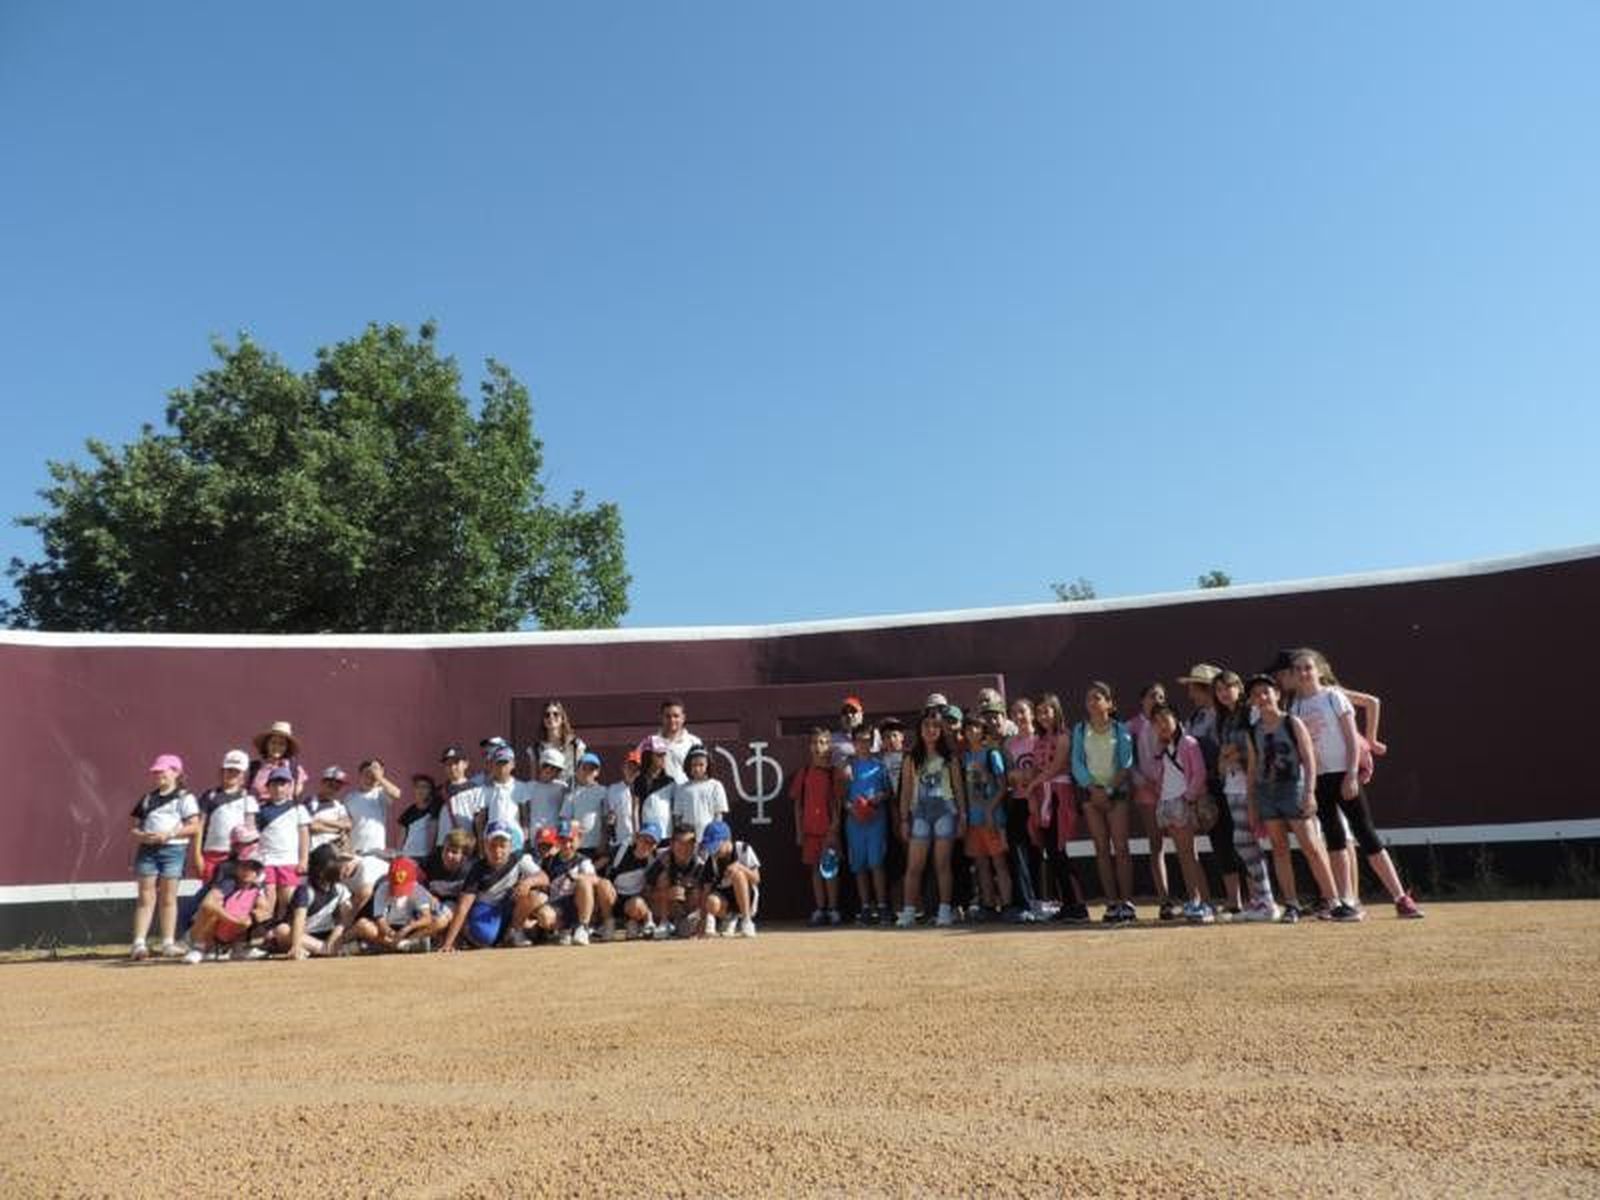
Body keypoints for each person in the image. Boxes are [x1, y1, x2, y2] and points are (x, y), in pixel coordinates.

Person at [1288, 651, 1423, 920]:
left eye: (1308, 668)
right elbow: (1303, 750)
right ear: (1292, 675)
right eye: (1298, 669)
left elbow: (1350, 738)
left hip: (1342, 774)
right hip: (1320, 778)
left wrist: (1351, 774)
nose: (1304, 673)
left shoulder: (1333, 697)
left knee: (1366, 835)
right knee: (1335, 839)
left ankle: (1400, 897)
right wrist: (1309, 786)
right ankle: (1346, 900)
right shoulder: (1295, 708)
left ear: (1319, 670)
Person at [1245, 674, 1339, 923]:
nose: (1262, 697)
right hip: (1267, 792)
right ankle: (1292, 903)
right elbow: (1253, 770)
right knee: (1279, 848)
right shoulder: (1253, 731)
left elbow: (1309, 760)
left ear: (1276, 694)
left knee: (1311, 846)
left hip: (1293, 789)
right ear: (1252, 701)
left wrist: (1309, 792)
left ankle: (1333, 900)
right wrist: (1252, 804)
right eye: (1256, 694)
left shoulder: (1292, 722)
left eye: (1266, 692)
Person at [1177, 663, 1243, 916]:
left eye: (1193, 687)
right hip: (1208, 787)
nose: (1190, 692)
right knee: (1221, 841)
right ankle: (1234, 899)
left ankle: (1255, 897)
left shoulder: (1224, 715)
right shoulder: (1195, 718)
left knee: (1240, 840)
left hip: (1230, 783)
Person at [1071, 682, 1137, 923]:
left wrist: (1108, 790)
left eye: (1098, 697)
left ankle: (1126, 903)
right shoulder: (1079, 730)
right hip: (1091, 795)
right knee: (1101, 849)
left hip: (1116, 794)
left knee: (1121, 848)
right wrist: (1092, 788)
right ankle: (1111, 903)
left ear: (1109, 703)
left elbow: (1126, 764)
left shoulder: (1121, 730)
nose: (1092, 702)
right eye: (1089, 698)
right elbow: (1077, 762)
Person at [1214, 670, 1277, 920]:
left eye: (1228, 687)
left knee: (1244, 841)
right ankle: (1261, 899)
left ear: (1239, 687)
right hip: (1232, 784)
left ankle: (1267, 900)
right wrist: (1224, 761)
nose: (1223, 693)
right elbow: (1223, 752)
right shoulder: (1225, 718)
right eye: (1218, 690)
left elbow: (1258, 748)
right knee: (1246, 842)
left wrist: (1236, 756)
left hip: (1251, 784)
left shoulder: (1251, 712)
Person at [895, 706, 966, 928]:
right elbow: (906, 791)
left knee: (942, 865)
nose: (931, 729)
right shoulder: (911, 758)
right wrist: (904, 819)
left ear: (942, 729)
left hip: (946, 812)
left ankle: (944, 910)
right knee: (914, 866)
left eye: (936, 726)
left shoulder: (949, 757)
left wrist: (962, 816)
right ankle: (908, 911)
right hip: (920, 815)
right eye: (926, 725)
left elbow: (958, 788)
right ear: (920, 729)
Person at [128, 753, 201, 961]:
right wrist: (144, 836)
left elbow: (194, 826)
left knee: (168, 898)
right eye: (157, 771)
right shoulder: (148, 798)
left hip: (174, 851)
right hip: (148, 850)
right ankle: (139, 944)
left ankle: (168, 943)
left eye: (163, 771)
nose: (159, 774)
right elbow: (134, 828)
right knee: (145, 896)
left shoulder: (185, 798)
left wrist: (168, 835)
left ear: (176, 773)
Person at [1149, 703, 1214, 923]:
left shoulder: (1188, 743)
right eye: (1156, 722)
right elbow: (1160, 774)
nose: (1161, 725)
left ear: (1176, 720)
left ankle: (1203, 902)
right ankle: (1195, 900)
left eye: (1165, 719)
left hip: (1182, 801)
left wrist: (1188, 798)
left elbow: (1199, 773)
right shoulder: (1162, 747)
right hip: (1168, 802)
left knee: (1189, 855)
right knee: (1183, 855)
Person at [439, 823, 550, 952]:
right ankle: (470, 933)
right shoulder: (477, 869)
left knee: (536, 897)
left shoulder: (520, 859)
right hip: (485, 908)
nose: (498, 851)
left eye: (503, 846)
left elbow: (544, 878)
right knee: (485, 937)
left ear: (510, 846)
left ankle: (514, 932)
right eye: (493, 846)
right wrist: (449, 942)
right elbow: (463, 906)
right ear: (485, 846)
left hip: (509, 906)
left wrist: (529, 882)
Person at [1029, 693, 1088, 921]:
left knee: (1059, 850)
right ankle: (1068, 904)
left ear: (1056, 711)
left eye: (1047, 711)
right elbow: (1036, 767)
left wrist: (1033, 784)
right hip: (1043, 795)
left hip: (1058, 796)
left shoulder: (1064, 736)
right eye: (1039, 712)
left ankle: (1078, 905)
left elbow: (1055, 768)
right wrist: (1033, 792)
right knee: (1052, 853)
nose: (1043, 716)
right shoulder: (1040, 739)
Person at [182, 828, 272, 963]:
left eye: (253, 867)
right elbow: (208, 904)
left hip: (229, 920)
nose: (249, 870)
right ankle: (199, 947)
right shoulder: (227, 877)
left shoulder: (258, 882)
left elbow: (265, 910)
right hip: (199, 922)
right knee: (212, 909)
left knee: (262, 910)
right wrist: (236, 921)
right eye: (245, 866)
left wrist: (250, 918)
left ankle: (239, 947)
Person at [1126, 683, 1176, 919]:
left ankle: (1197, 897)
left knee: (1184, 843)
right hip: (1146, 790)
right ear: (1142, 700)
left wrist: (1167, 782)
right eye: (1152, 696)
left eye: (1161, 696)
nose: (1157, 699)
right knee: (1156, 844)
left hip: (1172, 788)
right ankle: (1165, 899)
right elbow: (1129, 763)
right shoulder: (1131, 727)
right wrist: (1144, 783)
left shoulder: (1171, 723)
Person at [961, 713, 1012, 920]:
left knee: (999, 863)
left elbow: (1002, 787)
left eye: (975, 728)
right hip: (974, 820)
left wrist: (990, 810)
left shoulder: (992, 755)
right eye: (968, 729)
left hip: (993, 818)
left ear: (982, 731)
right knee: (981, 864)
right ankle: (989, 905)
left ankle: (1007, 905)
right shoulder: (965, 758)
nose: (972, 732)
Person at [840, 724, 892, 924]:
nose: (864, 744)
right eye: (860, 740)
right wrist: (851, 808)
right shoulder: (848, 768)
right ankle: (865, 908)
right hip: (854, 823)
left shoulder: (880, 766)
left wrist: (880, 797)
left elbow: (888, 792)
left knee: (876, 863)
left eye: (867, 740)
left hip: (876, 821)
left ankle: (882, 907)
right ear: (853, 743)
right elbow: (842, 798)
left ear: (873, 742)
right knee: (859, 866)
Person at [268, 842, 356, 959]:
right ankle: (325, 950)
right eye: (338, 863)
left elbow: (345, 919)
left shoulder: (340, 890)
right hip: (303, 935)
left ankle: (325, 949)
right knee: (281, 930)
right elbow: (298, 919)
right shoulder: (306, 890)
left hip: (327, 934)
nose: (344, 867)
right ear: (323, 870)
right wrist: (296, 945)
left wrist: (335, 935)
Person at [790, 728, 841, 926]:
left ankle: (833, 909)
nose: (819, 747)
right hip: (810, 831)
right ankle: (821, 909)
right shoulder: (804, 772)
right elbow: (798, 805)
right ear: (810, 747)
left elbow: (837, 803)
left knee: (830, 869)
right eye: (815, 742)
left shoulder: (834, 773)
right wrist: (799, 831)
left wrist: (834, 828)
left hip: (829, 831)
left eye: (823, 742)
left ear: (829, 746)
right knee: (816, 872)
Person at [538, 821, 611, 944]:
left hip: (578, 902)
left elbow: (595, 879)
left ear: (576, 840)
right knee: (543, 916)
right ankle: (564, 929)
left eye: (570, 840)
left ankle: (583, 927)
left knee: (584, 883)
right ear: (557, 841)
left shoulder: (583, 860)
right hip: (558, 905)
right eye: (562, 840)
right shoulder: (549, 861)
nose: (567, 845)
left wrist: (577, 876)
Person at [193, 749, 258, 883]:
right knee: (209, 892)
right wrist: (197, 855)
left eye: (236, 771)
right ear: (222, 771)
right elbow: (199, 827)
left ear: (243, 775)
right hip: (211, 854)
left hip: (237, 856)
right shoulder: (210, 796)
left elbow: (251, 829)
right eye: (228, 770)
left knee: (231, 892)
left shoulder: (248, 797)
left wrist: (247, 854)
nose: (231, 774)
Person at [1001, 698, 1040, 918]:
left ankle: (1041, 900)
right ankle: (1025, 904)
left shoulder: (1040, 740)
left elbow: (1039, 770)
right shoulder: (1009, 744)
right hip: (1018, 801)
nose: (1019, 717)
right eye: (1014, 713)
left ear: (1031, 713)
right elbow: (1009, 776)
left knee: (1037, 851)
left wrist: (1024, 776)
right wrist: (1020, 776)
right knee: (1018, 851)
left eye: (1022, 712)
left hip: (1040, 800)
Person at [255, 766, 311, 920]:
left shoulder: (298, 808)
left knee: (286, 899)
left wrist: (303, 860)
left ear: (290, 787)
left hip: (289, 861)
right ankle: (264, 931)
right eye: (274, 784)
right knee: (268, 897)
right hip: (266, 861)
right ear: (268, 787)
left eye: (283, 784)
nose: (278, 788)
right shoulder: (260, 810)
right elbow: (255, 836)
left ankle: (279, 929)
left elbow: (304, 836)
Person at [351, 856, 439, 952]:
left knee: (438, 921)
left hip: (411, 929)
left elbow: (427, 917)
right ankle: (402, 946)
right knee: (362, 924)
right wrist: (390, 932)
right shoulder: (382, 889)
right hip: (389, 929)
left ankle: (394, 945)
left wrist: (409, 927)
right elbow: (380, 919)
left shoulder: (418, 889)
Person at [697, 820, 761, 937]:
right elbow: (706, 890)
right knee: (711, 901)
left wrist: (740, 867)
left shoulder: (743, 849)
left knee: (738, 874)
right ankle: (730, 919)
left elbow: (756, 879)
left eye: (716, 845)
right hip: (725, 902)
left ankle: (747, 922)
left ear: (727, 840)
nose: (713, 849)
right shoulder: (711, 859)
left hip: (748, 899)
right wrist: (703, 922)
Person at [646, 823, 707, 938]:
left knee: (699, 890)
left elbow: (706, 894)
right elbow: (646, 892)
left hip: (688, 909)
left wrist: (688, 892)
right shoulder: (661, 860)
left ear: (695, 845)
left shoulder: (700, 863)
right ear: (672, 844)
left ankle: (690, 923)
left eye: (689, 843)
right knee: (663, 877)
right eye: (680, 843)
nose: (685, 848)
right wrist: (665, 894)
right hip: (664, 908)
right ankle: (664, 924)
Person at [419, 828, 478, 940]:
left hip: (457, 907)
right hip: (430, 903)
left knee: (440, 921)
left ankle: (406, 942)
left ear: (464, 856)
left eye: (455, 852)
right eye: (446, 850)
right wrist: (428, 895)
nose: (448, 855)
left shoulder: (472, 870)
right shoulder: (430, 862)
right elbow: (415, 884)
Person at [607, 822, 664, 939]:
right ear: (637, 838)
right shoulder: (620, 852)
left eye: (651, 843)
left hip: (635, 903)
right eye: (644, 840)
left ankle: (640, 921)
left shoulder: (654, 861)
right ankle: (607, 923)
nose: (646, 845)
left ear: (655, 846)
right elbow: (600, 869)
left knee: (636, 903)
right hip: (614, 899)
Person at [473, 745, 530, 850]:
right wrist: (481, 844)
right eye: (498, 763)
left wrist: (525, 838)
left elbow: (524, 816)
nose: (502, 768)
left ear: (513, 764)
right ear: (493, 765)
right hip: (492, 836)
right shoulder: (485, 789)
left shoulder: (521, 787)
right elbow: (481, 819)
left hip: (514, 836)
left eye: (505, 763)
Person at [671, 746, 730, 842]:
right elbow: (678, 817)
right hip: (688, 839)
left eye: (701, 765)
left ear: (708, 765)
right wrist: (681, 838)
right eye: (694, 765)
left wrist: (714, 835)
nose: (697, 769)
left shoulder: (715, 785)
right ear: (689, 766)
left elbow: (718, 814)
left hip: (708, 838)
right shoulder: (682, 789)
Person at [561, 752, 611, 865]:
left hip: (597, 846)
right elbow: (566, 820)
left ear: (597, 772)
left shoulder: (604, 792)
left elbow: (606, 819)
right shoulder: (571, 794)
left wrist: (603, 841)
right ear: (577, 770)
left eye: (592, 769)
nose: (587, 772)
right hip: (577, 846)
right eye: (584, 768)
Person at [345, 758, 401, 859]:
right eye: (367, 773)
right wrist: (347, 849)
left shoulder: (380, 793)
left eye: (374, 773)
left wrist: (379, 777)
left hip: (377, 850)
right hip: (356, 851)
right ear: (360, 775)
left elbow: (397, 793)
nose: (371, 776)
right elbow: (346, 825)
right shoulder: (350, 798)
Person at [642, 696, 702, 783]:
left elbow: (703, 774)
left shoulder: (695, 742)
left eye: (676, 716)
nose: (672, 720)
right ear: (661, 717)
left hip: (687, 794)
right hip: (659, 794)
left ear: (683, 718)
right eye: (668, 716)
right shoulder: (650, 742)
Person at [530, 699, 586, 788]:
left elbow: (583, 774)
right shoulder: (536, 747)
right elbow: (534, 779)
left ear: (562, 718)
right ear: (543, 720)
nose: (551, 717)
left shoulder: (576, 744)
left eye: (555, 714)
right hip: (546, 795)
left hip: (570, 795)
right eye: (547, 715)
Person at [248, 720, 307, 800]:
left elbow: (296, 794)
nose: (277, 747)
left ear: (287, 748)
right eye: (273, 742)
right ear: (266, 745)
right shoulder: (254, 767)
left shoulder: (294, 769)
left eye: (281, 744)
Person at [523, 749, 570, 846]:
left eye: (557, 770)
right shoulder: (529, 786)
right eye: (548, 767)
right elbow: (525, 814)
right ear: (542, 766)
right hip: (534, 836)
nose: (553, 772)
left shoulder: (562, 787)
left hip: (554, 837)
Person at [633, 739, 676, 845]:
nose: (663, 758)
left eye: (664, 754)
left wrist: (675, 834)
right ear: (649, 756)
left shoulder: (670, 781)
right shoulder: (639, 780)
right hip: (646, 835)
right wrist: (636, 831)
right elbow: (635, 808)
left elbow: (675, 810)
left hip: (667, 835)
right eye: (659, 755)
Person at [437, 746, 479, 843]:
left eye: (456, 763)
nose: (452, 767)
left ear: (466, 764)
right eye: (448, 764)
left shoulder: (476, 790)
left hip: (465, 844)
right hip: (443, 845)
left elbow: (480, 821)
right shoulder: (439, 791)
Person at [396, 774, 443, 859]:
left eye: (425, 787)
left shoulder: (436, 809)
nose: (421, 790)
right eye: (418, 787)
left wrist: (430, 854)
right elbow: (402, 836)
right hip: (407, 856)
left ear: (431, 791)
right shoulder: (409, 811)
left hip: (425, 857)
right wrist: (398, 854)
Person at [306, 767, 352, 852]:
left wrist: (322, 821)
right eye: (330, 786)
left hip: (335, 850)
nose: (333, 790)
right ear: (322, 783)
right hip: (314, 851)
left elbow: (347, 825)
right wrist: (336, 829)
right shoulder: (310, 802)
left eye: (337, 788)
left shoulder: (339, 806)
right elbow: (312, 826)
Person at [605, 749, 641, 855]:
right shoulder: (613, 789)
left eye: (636, 768)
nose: (632, 771)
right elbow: (609, 816)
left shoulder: (645, 789)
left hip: (641, 844)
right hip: (620, 842)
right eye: (629, 767)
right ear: (623, 768)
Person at [830, 695, 879, 766]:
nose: (849, 715)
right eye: (845, 712)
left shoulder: (876, 735)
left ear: (861, 714)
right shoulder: (832, 739)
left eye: (853, 711)